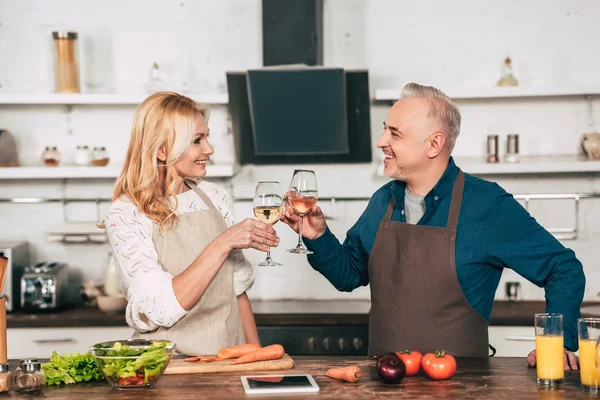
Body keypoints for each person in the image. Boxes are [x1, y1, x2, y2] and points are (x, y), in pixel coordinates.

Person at [281, 83, 585, 368]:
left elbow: (563, 268)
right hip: (384, 384)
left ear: (434, 144)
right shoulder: (382, 201)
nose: (381, 142)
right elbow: (348, 274)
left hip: (462, 388)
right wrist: (317, 235)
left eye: (395, 134)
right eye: (385, 129)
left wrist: (558, 342)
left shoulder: (487, 204)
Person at [104, 92, 279, 356]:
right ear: (162, 149)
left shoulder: (215, 197)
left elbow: (237, 289)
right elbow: (160, 308)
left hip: (229, 362)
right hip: (168, 369)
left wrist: (259, 357)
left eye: (207, 137)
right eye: (197, 140)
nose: (209, 149)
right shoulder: (126, 213)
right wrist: (223, 242)